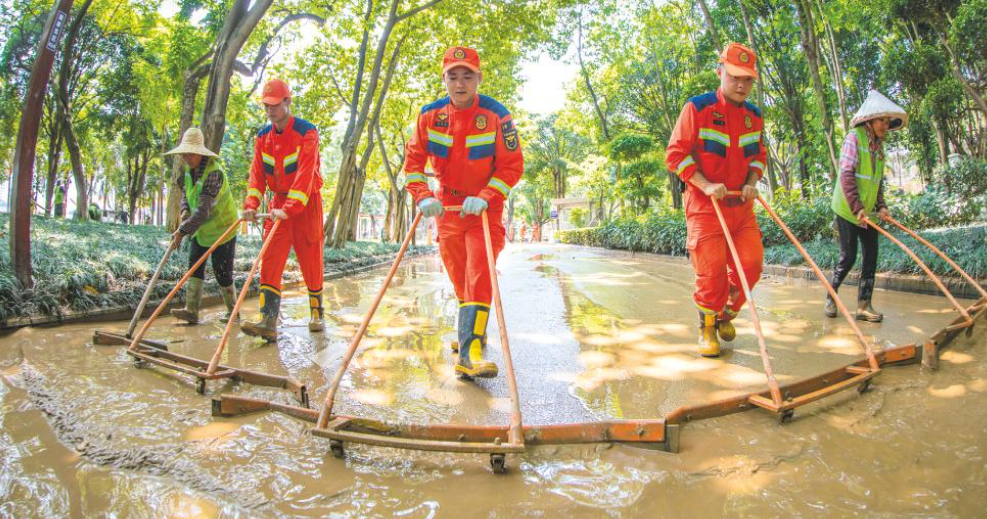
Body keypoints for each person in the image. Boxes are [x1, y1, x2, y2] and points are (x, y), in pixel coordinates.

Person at [404, 46, 524, 379]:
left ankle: (469, 352)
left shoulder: (498, 115)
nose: (460, 84)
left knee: (478, 271)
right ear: (443, 80)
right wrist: (423, 196)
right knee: (459, 276)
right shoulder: (429, 116)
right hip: (447, 209)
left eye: (467, 76)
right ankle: (472, 331)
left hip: (485, 211)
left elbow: (512, 165)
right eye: (453, 76)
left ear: (478, 79)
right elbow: (413, 164)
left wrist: (486, 195)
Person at [665, 43, 767, 358]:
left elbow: (759, 157)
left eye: (748, 79)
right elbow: (675, 156)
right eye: (735, 76)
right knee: (711, 272)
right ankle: (707, 326)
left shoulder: (754, 115)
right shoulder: (697, 109)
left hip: (741, 208)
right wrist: (705, 184)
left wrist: (751, 183)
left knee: (751, 265)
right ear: (719, 71)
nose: (741, 85)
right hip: (704, 207)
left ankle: (726, 313)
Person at [242, 79, 325, 341]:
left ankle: (316, 313)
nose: (270, 111)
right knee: (270, 259)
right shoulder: (262, 137)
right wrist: (251, 205)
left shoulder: (307, 132)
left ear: (287, 102)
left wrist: (290, 208)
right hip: (277, 204)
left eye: (275, 105)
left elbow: (305, 175)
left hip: (306, 204)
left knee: (311, 259)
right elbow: (256, 176)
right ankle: (268, 320)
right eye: (266, 105)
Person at [826, 90, 907, 323]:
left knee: (871, 256)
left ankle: (864, 305)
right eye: (882, 120)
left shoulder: (879, 147)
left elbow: (877, 180)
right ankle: (831, 296)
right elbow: (847, 175)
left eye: (888, 122)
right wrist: (856, 208)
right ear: (869, 119)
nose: (885, 125)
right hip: (847, 210)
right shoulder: (854, 138)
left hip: (868, 212)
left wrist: (881, 206)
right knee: (848, 257)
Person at [165, 127, 240, 324]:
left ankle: (233, 312)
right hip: (202, 229)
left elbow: (202, 211)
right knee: (194, 267)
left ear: (199, 153)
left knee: (221, 272)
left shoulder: (214, 173)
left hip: (223, 229)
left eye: (190, 154)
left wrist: (181, 231)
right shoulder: (188, 172)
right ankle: (191, 310)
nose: (186, 158)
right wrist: (183, 211)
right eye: (184, 154)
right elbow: (185, 196)